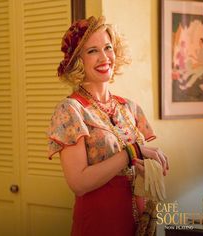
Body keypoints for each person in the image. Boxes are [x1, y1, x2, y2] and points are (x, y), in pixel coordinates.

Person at [47, 16, 169, 236]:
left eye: (108, 47)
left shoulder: (130, 107)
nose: (104, 57)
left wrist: (149, 169)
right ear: (78, 60)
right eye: (92, 51)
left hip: (139, 225)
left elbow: (134, 168)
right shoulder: (71, 110)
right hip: (99, 226)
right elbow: (79, 183)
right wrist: (132, 151)